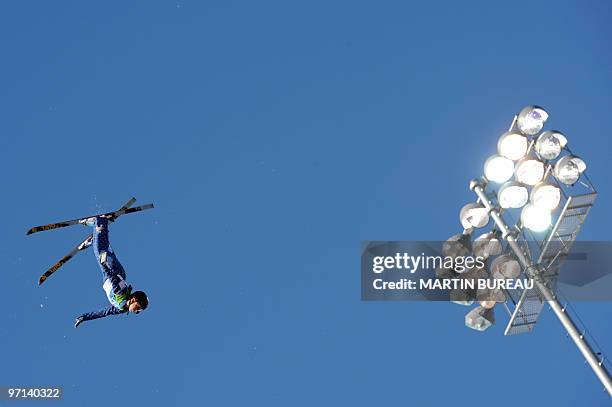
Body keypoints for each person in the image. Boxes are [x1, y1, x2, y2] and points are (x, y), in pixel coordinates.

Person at [74, 216, 148, 327]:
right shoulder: (121, 294)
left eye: (138, 310)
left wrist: (85, 317)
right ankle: (99, 221)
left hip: (111, 274)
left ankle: (94, 239)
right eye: (138, 307)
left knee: (102, 250)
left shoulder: (122, 309)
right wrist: (104, 264)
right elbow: (113, 277)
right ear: (133, 299)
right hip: (112, 271)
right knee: (100, 250)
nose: (137, 311)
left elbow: (104, 313)